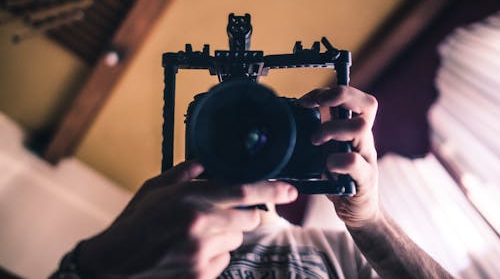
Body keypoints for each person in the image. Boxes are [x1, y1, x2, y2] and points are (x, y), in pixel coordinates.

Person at [50, 86, 454, 278]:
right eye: (222, 126)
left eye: (259, 130)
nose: (244, 142)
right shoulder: (150, 239)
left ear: (295, 136)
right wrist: (98, 264)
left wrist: (372, 223)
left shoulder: (342, 254)